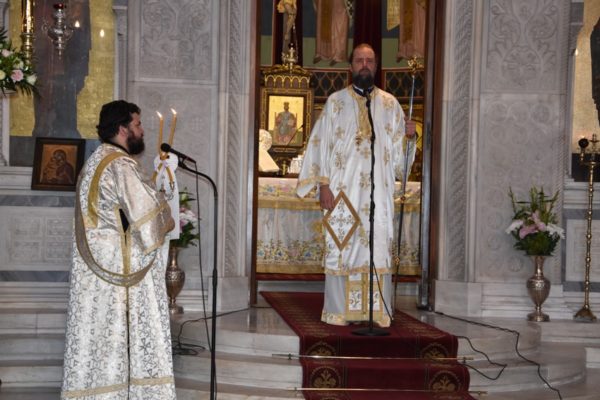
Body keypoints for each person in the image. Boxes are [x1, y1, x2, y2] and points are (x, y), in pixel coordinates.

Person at [61, 100, 177, 399]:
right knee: (121, 332)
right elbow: (146, 216)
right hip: (119, 268)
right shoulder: (120, 164)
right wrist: (167, 210)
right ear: (123, 128)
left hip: (97, 268)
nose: (142, 130)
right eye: (137, 124)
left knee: (102, 336)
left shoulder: (95, 160)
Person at [296, 44, 417, 327]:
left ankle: (376, 312)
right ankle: (340, 312)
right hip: (343, 193)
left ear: (376, 65)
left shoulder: (390, 105)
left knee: (377, 246)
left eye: (369, 60)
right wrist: (323, 185)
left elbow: (399, 162)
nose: (364, 65)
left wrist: (410, 138)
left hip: (379, 197)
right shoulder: (335, 102)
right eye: (359, 60)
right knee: (343, 248)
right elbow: (320, 145)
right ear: (351, 66)